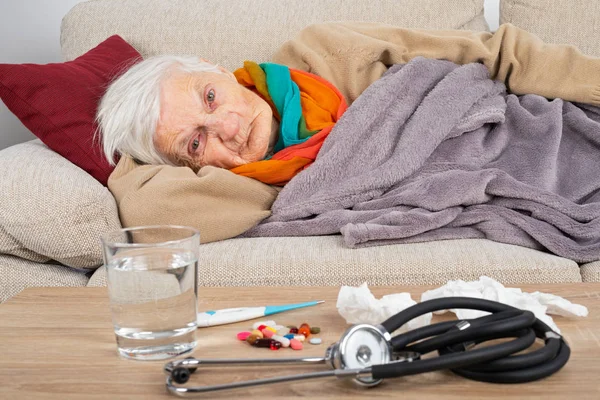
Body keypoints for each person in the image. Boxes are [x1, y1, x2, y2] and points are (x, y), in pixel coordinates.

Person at [99, 22, 600, 243]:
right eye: (195, 141)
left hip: (532, 131)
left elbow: (498, 52)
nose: (228, 127)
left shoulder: (321, 49)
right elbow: (148, 212)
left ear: (218, 69)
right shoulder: (238, 189)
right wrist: (135, 158)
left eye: (210, 97)